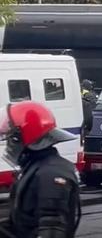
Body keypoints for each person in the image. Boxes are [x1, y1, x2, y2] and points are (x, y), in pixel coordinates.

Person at [0, 101, 80, 238]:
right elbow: (21, 224)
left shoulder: (51, 173)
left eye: (10, 139)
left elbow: (52, 229)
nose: (8, 145)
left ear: (21, 138)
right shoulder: (36, 167)